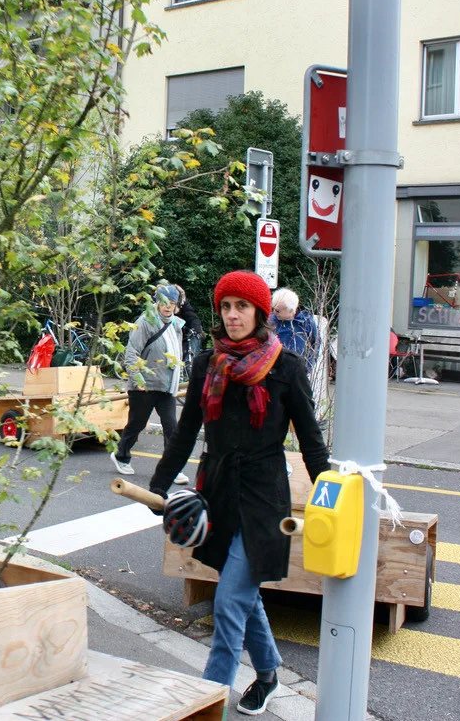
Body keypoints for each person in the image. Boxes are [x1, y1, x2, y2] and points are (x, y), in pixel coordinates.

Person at [150, 271, 330, 715]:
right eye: (226, 307)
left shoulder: (286, 368)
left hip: (265, 496)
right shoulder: (207, 364)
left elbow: (310, 439)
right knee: (240, 593)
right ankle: (268, 673)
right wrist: (160, 484)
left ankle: (207, 703)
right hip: (218, 492)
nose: (232, 315)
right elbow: (186, 429)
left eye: (242, 307)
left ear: (259, 313)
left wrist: (330, 494)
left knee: (230, 600)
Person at [111, 284, 190, 485]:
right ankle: (121, 455)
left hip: (166, 386)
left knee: (172, 426)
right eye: (164, 303)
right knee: (136, 425)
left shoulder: (176, 325)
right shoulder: (145, 322)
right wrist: (136, 378)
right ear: (157, 302)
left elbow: (176, 353)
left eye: (172, 304)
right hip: (144, 386)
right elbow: (131, 353)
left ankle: (172, 468)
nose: (167, 307)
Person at [271, 288, 321, 376]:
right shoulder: (270, 321)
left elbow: (315, 343)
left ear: (291, 311)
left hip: (298, 371)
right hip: (274, 370)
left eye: (278, 310)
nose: (274, 312)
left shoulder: (306, 321)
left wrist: (308, 367)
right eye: (273, 308)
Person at [174, 283, 205, 361]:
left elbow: (191, 316)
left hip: (184, 334)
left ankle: (191, 366)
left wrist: (197, 330)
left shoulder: (182, 302)